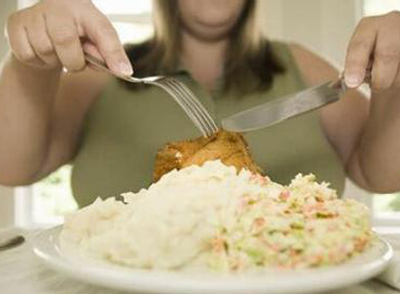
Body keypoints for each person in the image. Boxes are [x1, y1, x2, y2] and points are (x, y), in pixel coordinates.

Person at [0, 0, 399, 207]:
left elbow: (380, 174)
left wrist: (393, 73)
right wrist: (33, 63)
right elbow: (13, 166)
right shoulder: (99, 73)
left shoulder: (302, 66)